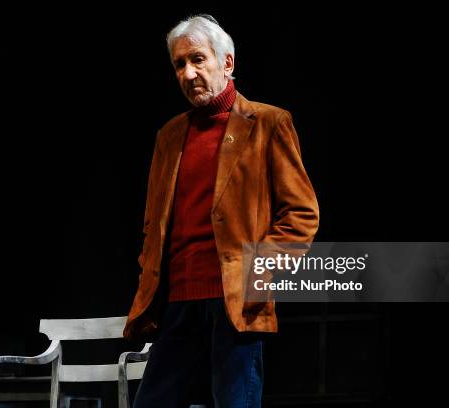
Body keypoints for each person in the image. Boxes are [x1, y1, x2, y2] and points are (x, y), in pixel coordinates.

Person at [123, 14, 319, 408]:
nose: (188, 72)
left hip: (234, 302)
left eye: (198, 59)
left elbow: (301, 215)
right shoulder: (170, 135)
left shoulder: (268, 123)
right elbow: (153, 223)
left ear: (226, 63)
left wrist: (255, 272)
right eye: (179, 64)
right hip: (176, 303)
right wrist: (150, 267)